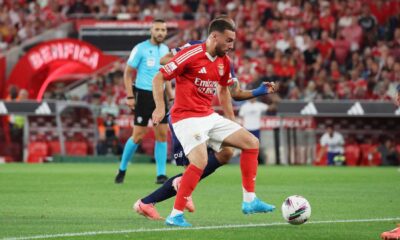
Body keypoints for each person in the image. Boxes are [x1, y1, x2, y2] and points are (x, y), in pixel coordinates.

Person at [134, 20, 276, 221]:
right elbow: (159, 76)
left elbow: (228, 90)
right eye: (228, 40)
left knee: (249, 143)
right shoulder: (191, 50)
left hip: (207, 115)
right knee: (197, 164)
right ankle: (172, 211)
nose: (231, 45)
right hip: (185, 117)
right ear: (214, 36)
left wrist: (259, 92)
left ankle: (250, 200)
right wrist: (159, 107)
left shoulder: (224, 60)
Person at [115, 19, 172, 184]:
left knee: (161, 135)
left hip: (160, 97)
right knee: (138, 136)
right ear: (151, 31)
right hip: (143, 95)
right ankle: (122, 168)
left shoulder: (166, 50)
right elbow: (127, 73)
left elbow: (166, 75)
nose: (160, 32)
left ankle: (161, 174)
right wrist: (130, 96)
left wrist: (171, 95)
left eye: (163, 30)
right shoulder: (140, 48)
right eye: (157, 29)